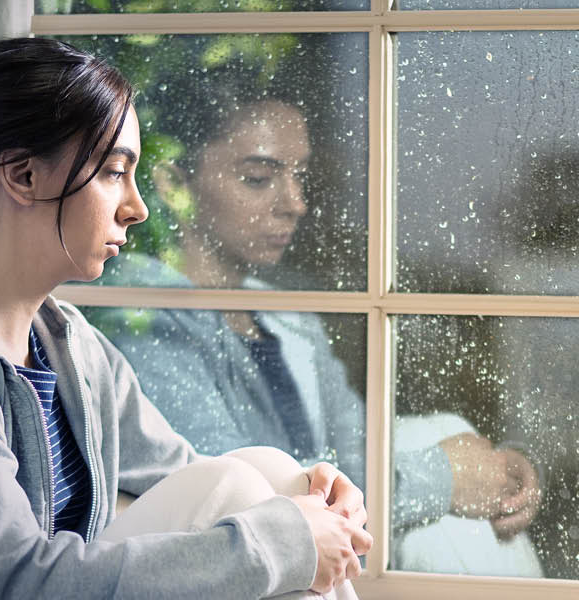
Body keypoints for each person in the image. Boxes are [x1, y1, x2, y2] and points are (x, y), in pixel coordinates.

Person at [0, 37, 371, 599]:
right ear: (23, 176)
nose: (136, 208)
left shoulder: (71, 349)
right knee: (256, 505)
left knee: (269, 475)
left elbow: (189, 480)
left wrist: (314, 499)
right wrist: (284, 540)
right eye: (114, 172)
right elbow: (13, 583)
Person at [96, 84, 544, 577]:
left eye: (300, 178)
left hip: (330, 540)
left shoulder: (290, 320)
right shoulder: (140, 323)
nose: (295, 204)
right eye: (258, 178)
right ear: (174, 184)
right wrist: (445, 480)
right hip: (251, 559)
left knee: (444, 433)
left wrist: (498, 477)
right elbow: (231, 498)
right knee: (442, 484)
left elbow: (354, 453)